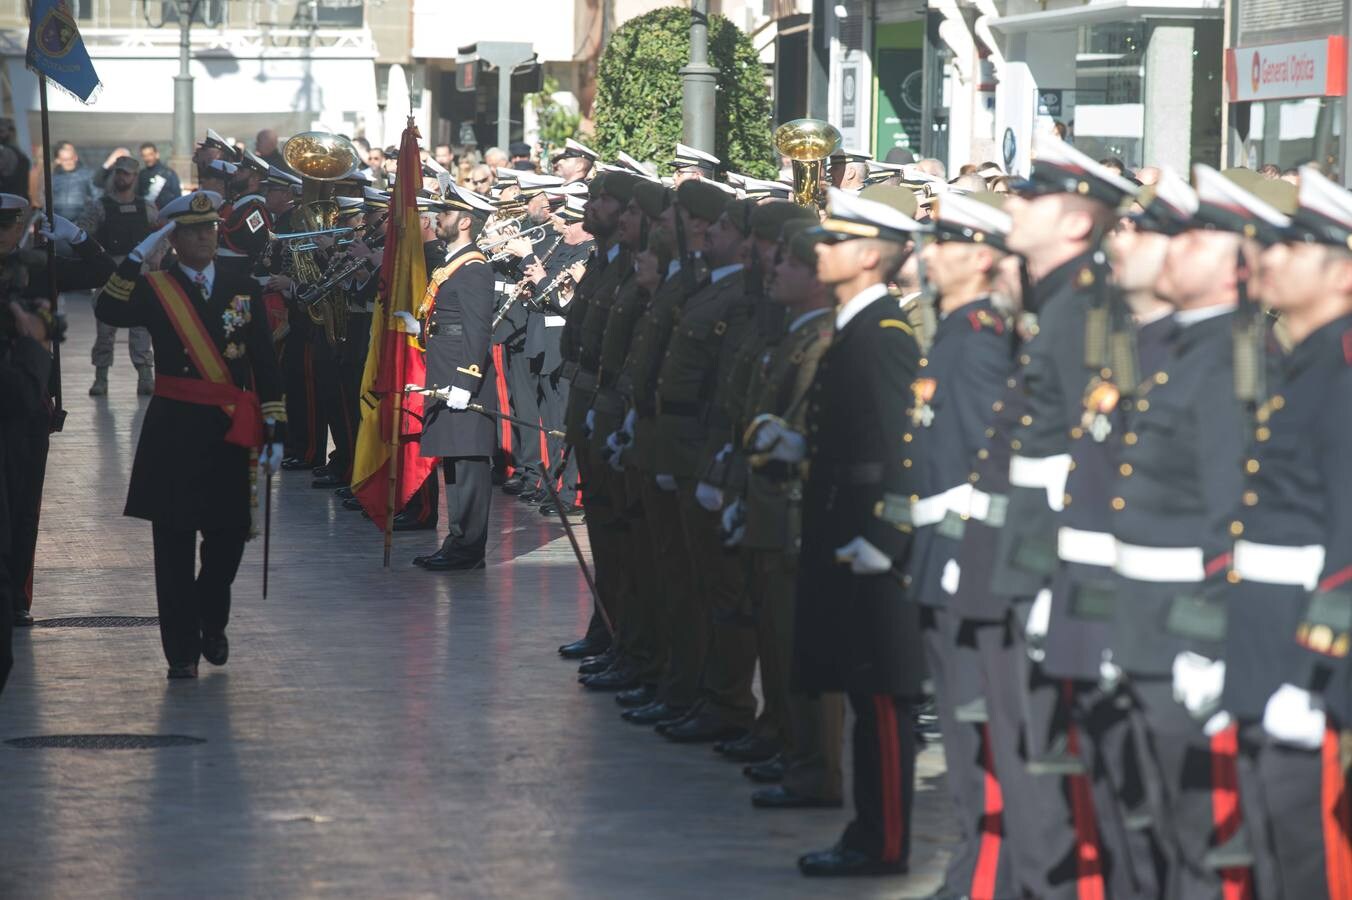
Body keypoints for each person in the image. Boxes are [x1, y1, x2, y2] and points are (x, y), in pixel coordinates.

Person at [777, 186, 924, 877]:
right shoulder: (855, 327)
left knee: (883, 703)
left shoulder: (885, 334)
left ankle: (885, 842)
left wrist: (889, 541)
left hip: (875, 549)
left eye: (833, 242)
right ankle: (867, 833)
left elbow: (904, 450)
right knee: (865, 696)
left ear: (869, 256)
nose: (820, 251)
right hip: (846, 533)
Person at [93, 190, 285, 679]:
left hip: (229, 431)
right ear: (173, 238)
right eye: (193, 230)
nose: (204, 236)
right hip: (174, 432)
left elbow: (263, 360)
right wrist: (138, 254)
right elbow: (109, 310)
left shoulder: (242, 285)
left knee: (229, 540)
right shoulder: (158, 288)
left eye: (210, 229)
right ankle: (180, 653)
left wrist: (275, 425)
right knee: (173, 547)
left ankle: (210, 617)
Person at [1232, 165, 1352, 900]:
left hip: (1312, 658)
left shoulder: (1340, 369)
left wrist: (1317, 675)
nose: (1269, 261)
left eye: (1293, 249)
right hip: (1266, 639)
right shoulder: (1301, 361)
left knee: (1311, 849)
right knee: (1271, 838)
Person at [903, 190, 1019, 898]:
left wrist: (961, 559)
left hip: (962, 563)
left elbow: (985, 467)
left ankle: (984, 879)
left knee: (980, 741)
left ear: (981, 255)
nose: (929, 253)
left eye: (946, 242)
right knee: (963, 732)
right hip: (938, 557)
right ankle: (973, 871)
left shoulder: (977, 339)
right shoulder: (953, 330)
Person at [0, 195, 114, 644]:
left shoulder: (36, 268)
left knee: (23, 505)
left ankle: (16, 600)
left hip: (28, 400)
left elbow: (103, 273)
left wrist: (79, 239)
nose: (4, 233)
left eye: (10, 225)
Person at [411, 187, 498, 571]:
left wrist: (466, 382)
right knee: (455, 461)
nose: (437, 218)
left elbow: (477, 330)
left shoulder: (475, 267)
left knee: (470, 466)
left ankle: (468, 547)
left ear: (464, 222)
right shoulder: (455, 263)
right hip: (445, 370)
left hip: (462, 378)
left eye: (445, 213)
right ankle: (457, 540)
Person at [76, 154, 157, 397]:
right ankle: (101, 377)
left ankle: (145, 374)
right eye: (118, 172)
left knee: (141, 324)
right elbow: (82, 233)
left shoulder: (147, 207)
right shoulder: (100, 206)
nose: (121, 177)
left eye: (126, 173)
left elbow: (160, 234)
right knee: (105, 324)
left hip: (139, 269)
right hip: (108, 269)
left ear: (135, 176)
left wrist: (157, 257)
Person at [50, 142, 99, 227]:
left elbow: (97, 197)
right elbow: (44, 200)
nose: (69, 162)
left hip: (80, 224)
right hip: (57, 223)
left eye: (71, 158)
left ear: (75, 157)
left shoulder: (87, 175)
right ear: (58, 160)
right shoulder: (51, 178)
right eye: (65, 159)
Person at [137, 142, 182, 210]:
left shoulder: (169, 174)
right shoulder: (141, 175)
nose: (147, 158)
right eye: (144, 155)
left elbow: (177, 197)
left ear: (157, 154)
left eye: (150, 154)